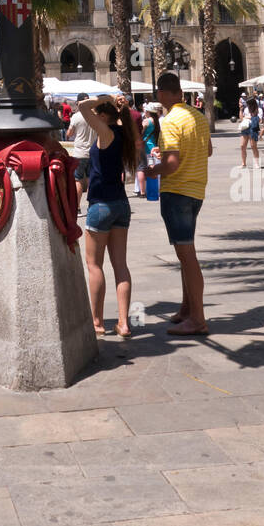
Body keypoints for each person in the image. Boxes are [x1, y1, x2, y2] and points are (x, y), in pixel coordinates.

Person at [146, 71, 212, 337]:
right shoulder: (197, 115)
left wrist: (153, 171)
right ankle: (187, 308)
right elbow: (206, 150)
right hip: (197, 189)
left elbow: (171, 165)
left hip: (178, 191)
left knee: (187, 256)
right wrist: (169, 153)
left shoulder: (171, 120)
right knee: (186, 255)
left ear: (162, 93)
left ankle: (198, 318)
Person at [76, 95, 141, 338]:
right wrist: (115, 104)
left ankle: (97, 321)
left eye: (98, 114)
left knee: (94, 265)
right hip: (121, 204)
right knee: (120, 265)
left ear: (102, 116)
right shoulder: (124, 131)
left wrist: (106, 98)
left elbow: (82, 106)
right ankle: (124, 323)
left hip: (101, 204)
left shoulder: (106, 133)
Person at [66, 93, 97, 213]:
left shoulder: (76, 117)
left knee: (77, 180)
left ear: (78, 103)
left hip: (79, 152)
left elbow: (69, 134)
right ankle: (91, 205)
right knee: (91, 180)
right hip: (93, 152)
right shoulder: (95, 116)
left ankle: (77, 207)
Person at [239, 96, 261, 166]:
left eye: (248, 104)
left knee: (253, 146)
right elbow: (242, 118)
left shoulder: (259, 110)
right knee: (242, 146)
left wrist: (249, 117)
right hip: (245, 127)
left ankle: (257, 163)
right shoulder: (246, 109)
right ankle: (243, 163)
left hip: (253, 128)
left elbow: (259, 119)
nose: (247, 105)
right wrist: (241, 110)